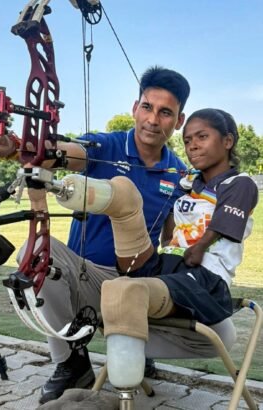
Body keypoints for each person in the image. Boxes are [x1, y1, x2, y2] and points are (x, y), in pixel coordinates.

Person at [0, 66, 190, 403]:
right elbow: (55, 152)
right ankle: (71, 363)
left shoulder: (179, 174)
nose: (153, 119)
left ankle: (137, 339)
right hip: (84, 275)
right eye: (147, 107)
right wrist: (14, 146)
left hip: (137, 284)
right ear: (134, 108)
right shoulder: (105, 145)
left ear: (179, 121)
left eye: (165, 112)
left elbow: (174, 238)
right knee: (35, 253)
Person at [41, 108, 258, 408]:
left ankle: (121, 397)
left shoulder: (239, 183)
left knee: (126, 291)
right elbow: (171, 227)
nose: (193, 145)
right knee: (125, 193)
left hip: (204, 279)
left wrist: (200, 247)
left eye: (202, 137)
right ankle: (81, 191)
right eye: (188, 140)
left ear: (228, 141)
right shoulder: (190, 184)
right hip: (169, 269)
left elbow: (226, 223)